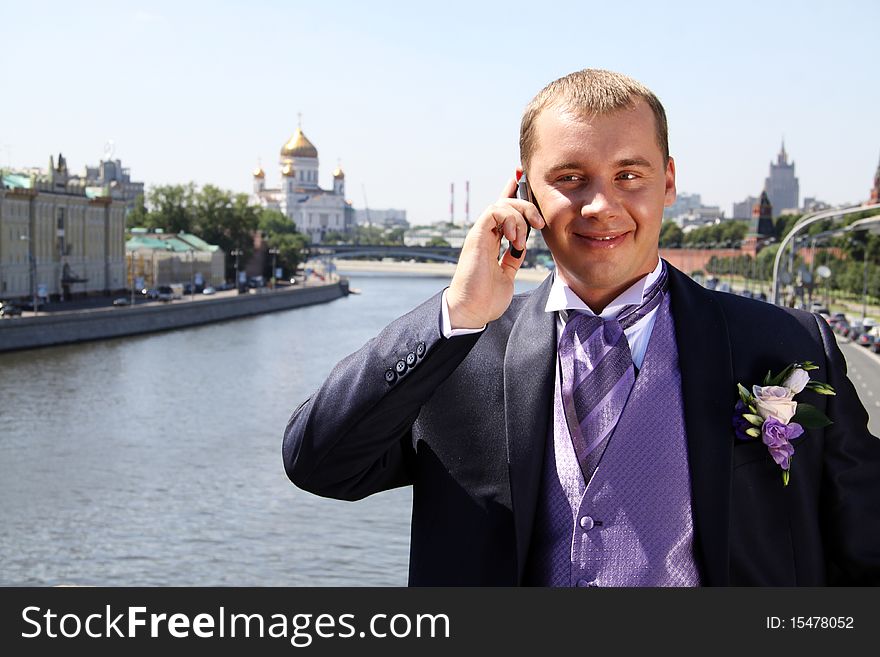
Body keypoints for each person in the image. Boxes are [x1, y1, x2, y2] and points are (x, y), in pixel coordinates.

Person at [283, 69, 880, 586]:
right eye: (570, 177)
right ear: (524, 192)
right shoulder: (457, 355)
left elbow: (866, 553)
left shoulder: (788, 348)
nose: (601, 205)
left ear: (668, 181)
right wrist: (457, 315)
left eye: (629, 175)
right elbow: (319, 463)